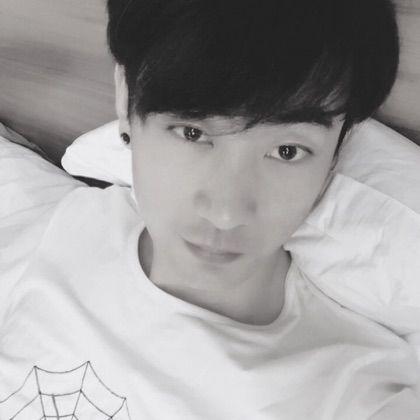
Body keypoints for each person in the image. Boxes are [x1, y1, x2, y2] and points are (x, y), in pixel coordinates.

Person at [1, 0, 419, 419]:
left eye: (287, 151)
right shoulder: (49, 226)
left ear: (336, 153)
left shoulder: (352, 394)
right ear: (126, 98)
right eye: (192, 132)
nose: (226, 213)